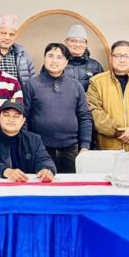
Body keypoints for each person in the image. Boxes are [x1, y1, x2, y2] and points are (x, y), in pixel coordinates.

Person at [22, 43, 92, 174]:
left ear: (66, 62)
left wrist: (85, 145)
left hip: (71, 148)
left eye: (59, 57)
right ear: (44, 58)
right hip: (40, 148)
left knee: (70, 184)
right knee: (43, 183)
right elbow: (23, 116)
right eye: (50, 56)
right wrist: (27, 144)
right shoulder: (32, 84)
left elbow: (85, 116)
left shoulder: (76, 86)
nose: (54, 60)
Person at [0, 100, 57, 182]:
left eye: (16, 116)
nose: (11, 119)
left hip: (28, 185)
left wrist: (46, 169)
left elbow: (44, 159)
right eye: (6, 115)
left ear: (23, 120)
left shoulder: (34, 139)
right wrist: (7, 171)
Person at [64, 24, 104, 91]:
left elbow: (102, 90)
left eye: (81, 41)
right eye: (73, 41)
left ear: (86, 44)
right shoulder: (57, 63)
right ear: (66, 42)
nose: (77, 44)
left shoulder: (95, 66)